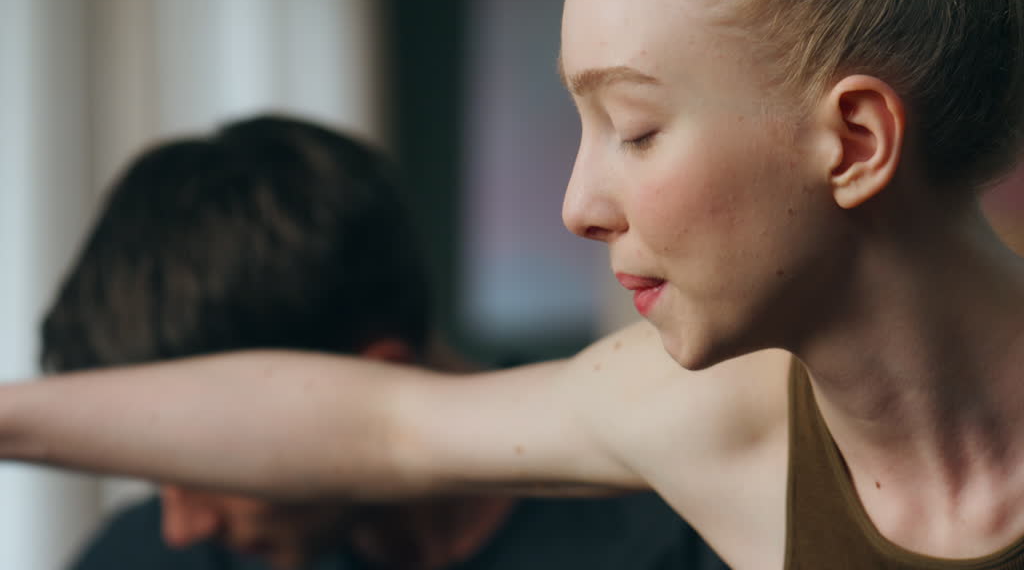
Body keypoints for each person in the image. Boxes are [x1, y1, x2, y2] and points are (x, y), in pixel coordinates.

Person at [2, 0, 1024, 568]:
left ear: (852, 141)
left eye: (635, 126)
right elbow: (372, 425)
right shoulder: (714, 433)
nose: (577, 203)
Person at [39, 115, 726, 570]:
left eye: (206, 466)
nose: (181, 526)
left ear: (377, 379)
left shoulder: (679, 534)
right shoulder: (137, 559)